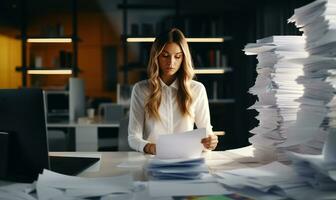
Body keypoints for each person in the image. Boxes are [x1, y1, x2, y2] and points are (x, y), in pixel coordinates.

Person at [128, 28, 218, 155]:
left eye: (177, 56)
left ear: (183, 58)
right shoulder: (141, 90)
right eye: (165, 56)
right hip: (153, 159)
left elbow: (207, 132)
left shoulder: (197, 89)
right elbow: (133, 138)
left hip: (186, 160)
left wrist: (211, 141)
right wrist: (151, 148)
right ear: (156, 57)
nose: (171, 62)